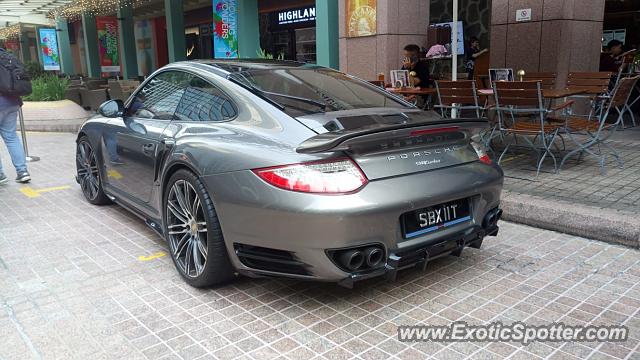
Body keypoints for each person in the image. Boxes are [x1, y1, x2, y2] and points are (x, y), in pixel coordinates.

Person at [0, 47, 31, 184]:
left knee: (11, 137)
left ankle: (0, 175)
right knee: (11, 137)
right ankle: (22, 171)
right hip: (13, 102)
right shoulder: (9, 57)